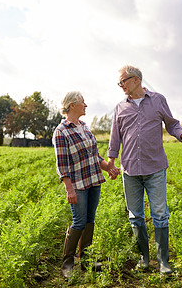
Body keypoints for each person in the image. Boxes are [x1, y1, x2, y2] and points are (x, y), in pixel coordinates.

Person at [107, 65, 182, 275]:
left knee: (160, 215)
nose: (120, 86)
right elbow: (115, 137)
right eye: (119, 83)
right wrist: (110, 161)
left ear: (136, 79)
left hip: (154, 167)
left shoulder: (158, 100)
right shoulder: (120, 107)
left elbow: (172, 124)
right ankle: (144, 259)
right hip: (129, 170)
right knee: (135, 216)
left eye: (123, 81)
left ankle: (163, 262)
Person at [53, 91, 120, 278]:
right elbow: (62, 164)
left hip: (93, 180)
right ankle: (67, 265)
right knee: (79, 221)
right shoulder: (61, 131)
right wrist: (69, 189)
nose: (86, 105)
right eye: (83, 102)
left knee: (90, 220)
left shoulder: (84, 126)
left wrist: (108, 168)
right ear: (72, 105)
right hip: (78, 184)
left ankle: (86, 261)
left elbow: (94, 156)